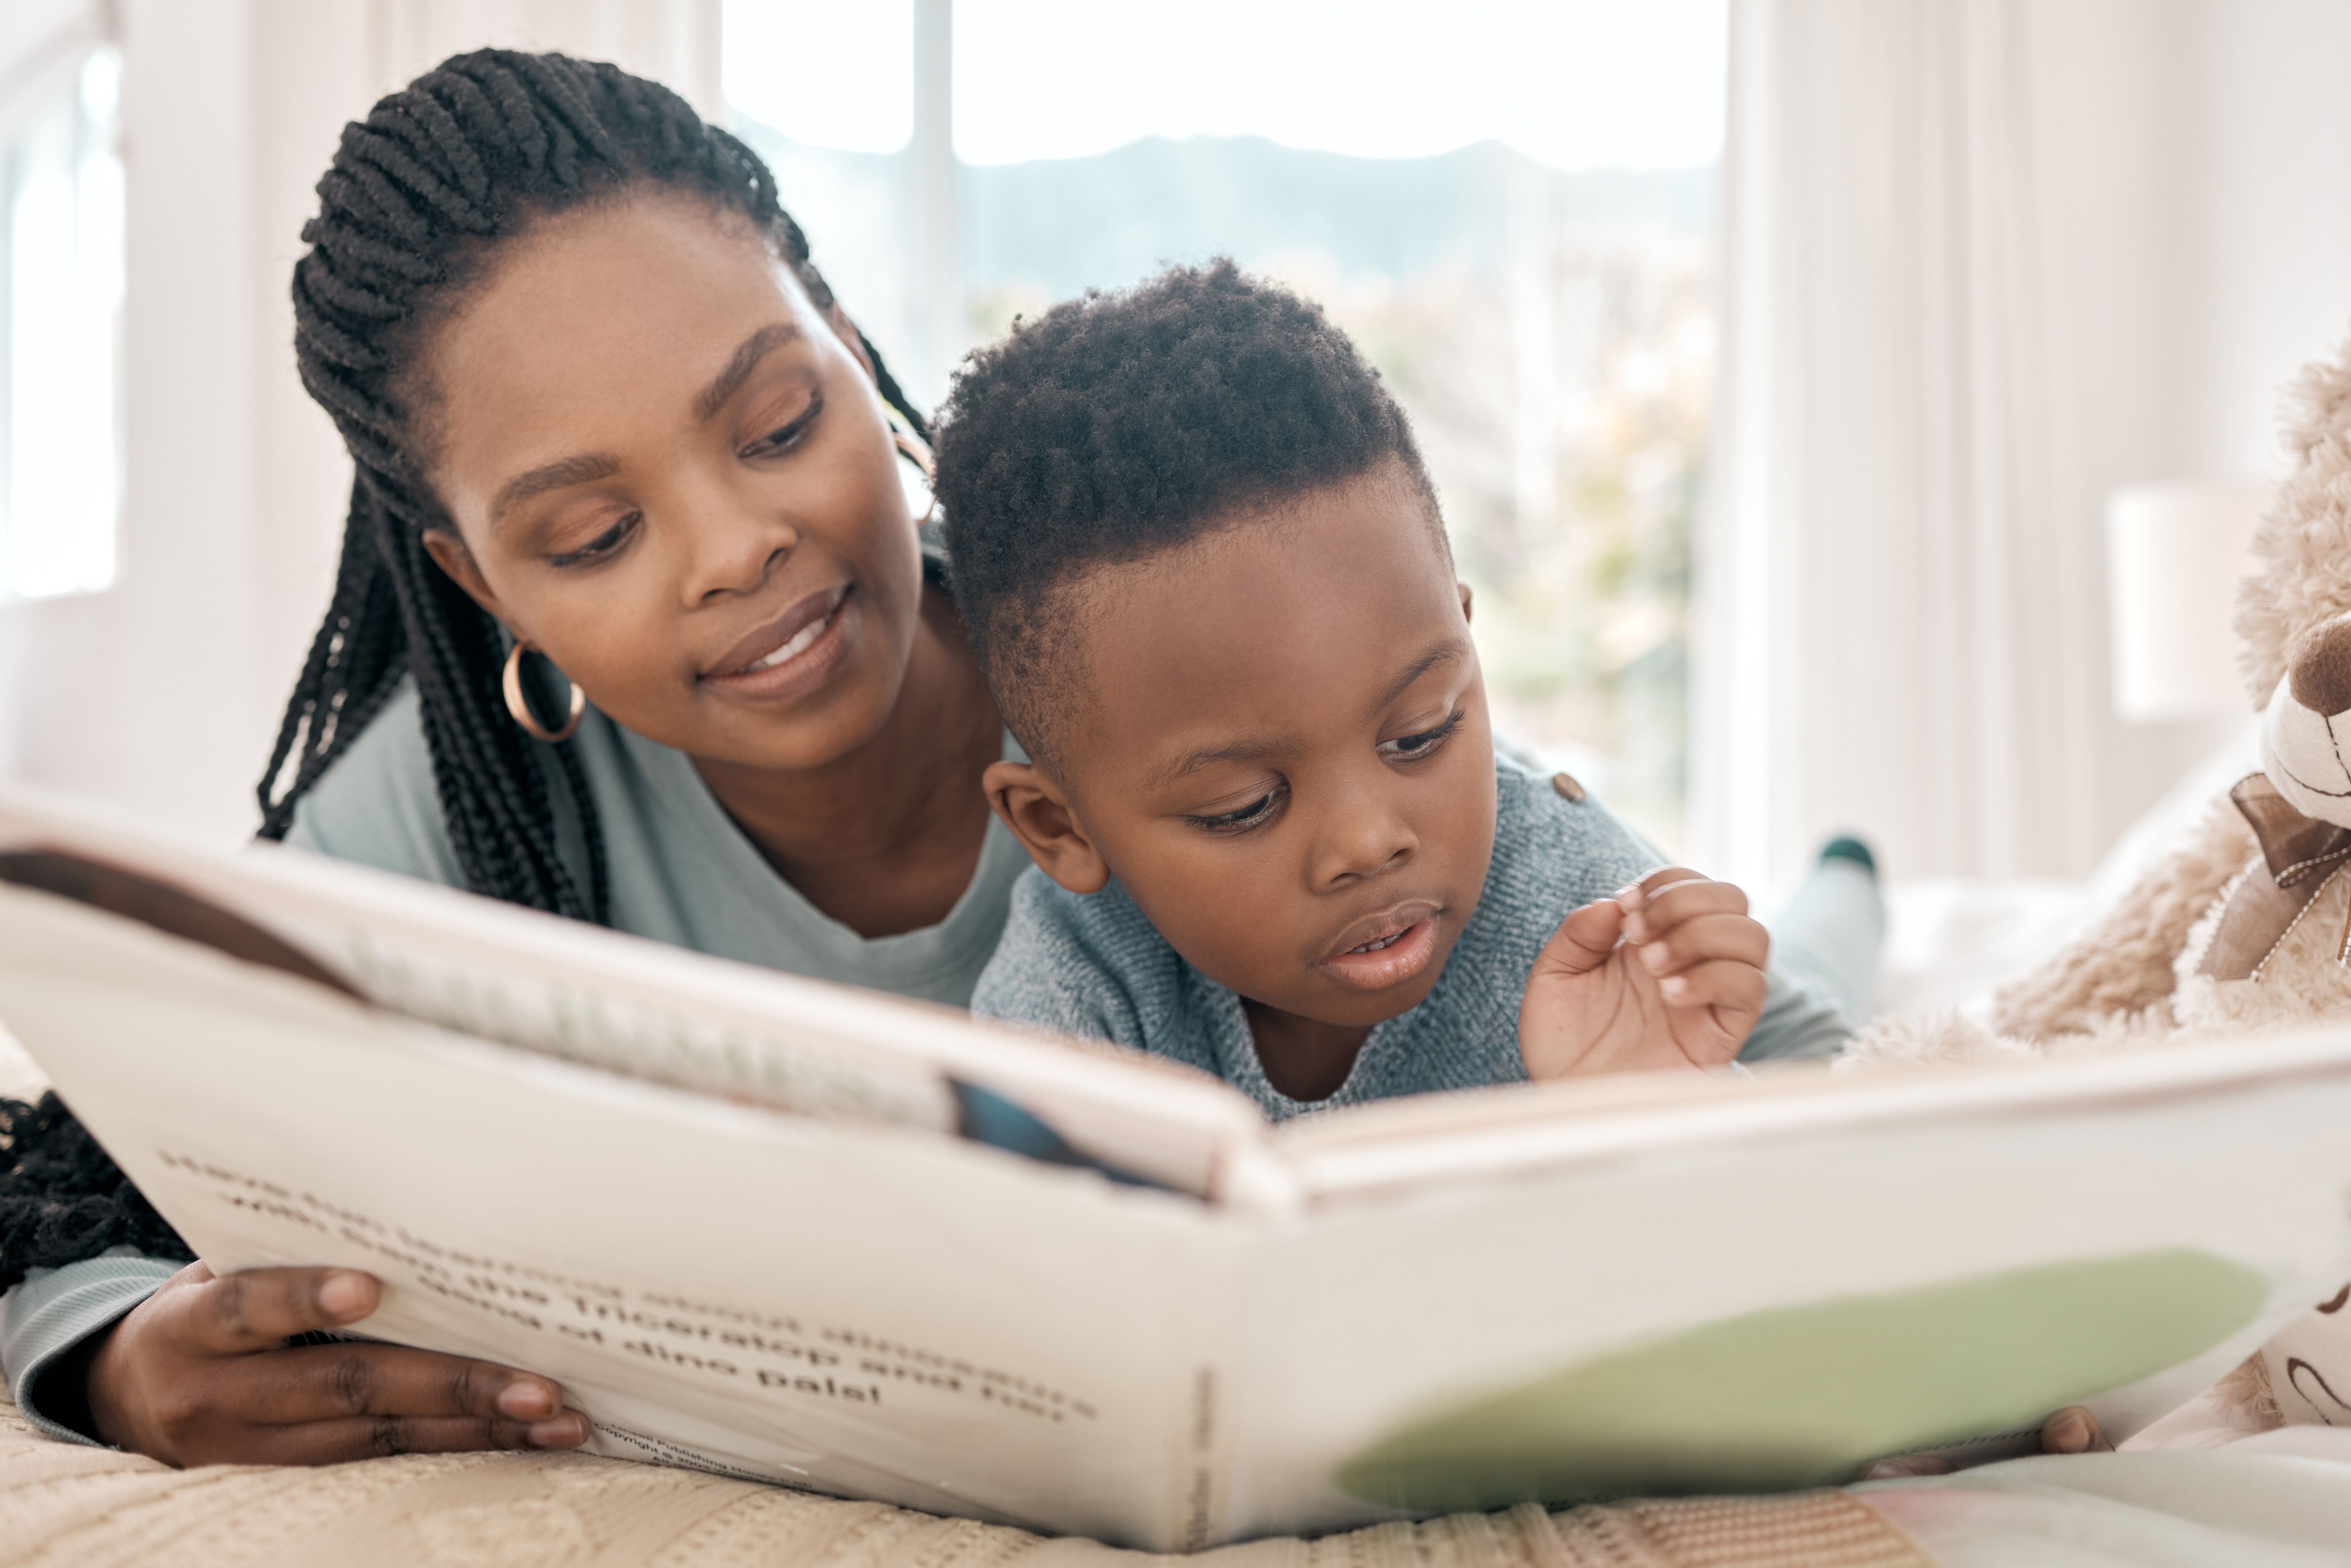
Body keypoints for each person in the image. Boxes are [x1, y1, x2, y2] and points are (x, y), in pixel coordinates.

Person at [1, 49, 1025, 1466]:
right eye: (594, 537)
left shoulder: (1137, 660)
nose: (736, 553)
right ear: (481, 584)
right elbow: (73, 1179)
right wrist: (116, 1362)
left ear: (850, 348)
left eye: (779, 425)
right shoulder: (433, 821)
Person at [934, 262, 1875, 1115]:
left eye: (1420, 733)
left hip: (1771, 1034)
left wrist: (1638, 1109)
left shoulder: (1581, 907)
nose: (1370, 840)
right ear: (1061, 829)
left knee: (1821, 981)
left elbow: (1816, 1163)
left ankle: (1847, 884)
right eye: (1245, 805)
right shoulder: (1079, 976)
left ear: (1464, 637)